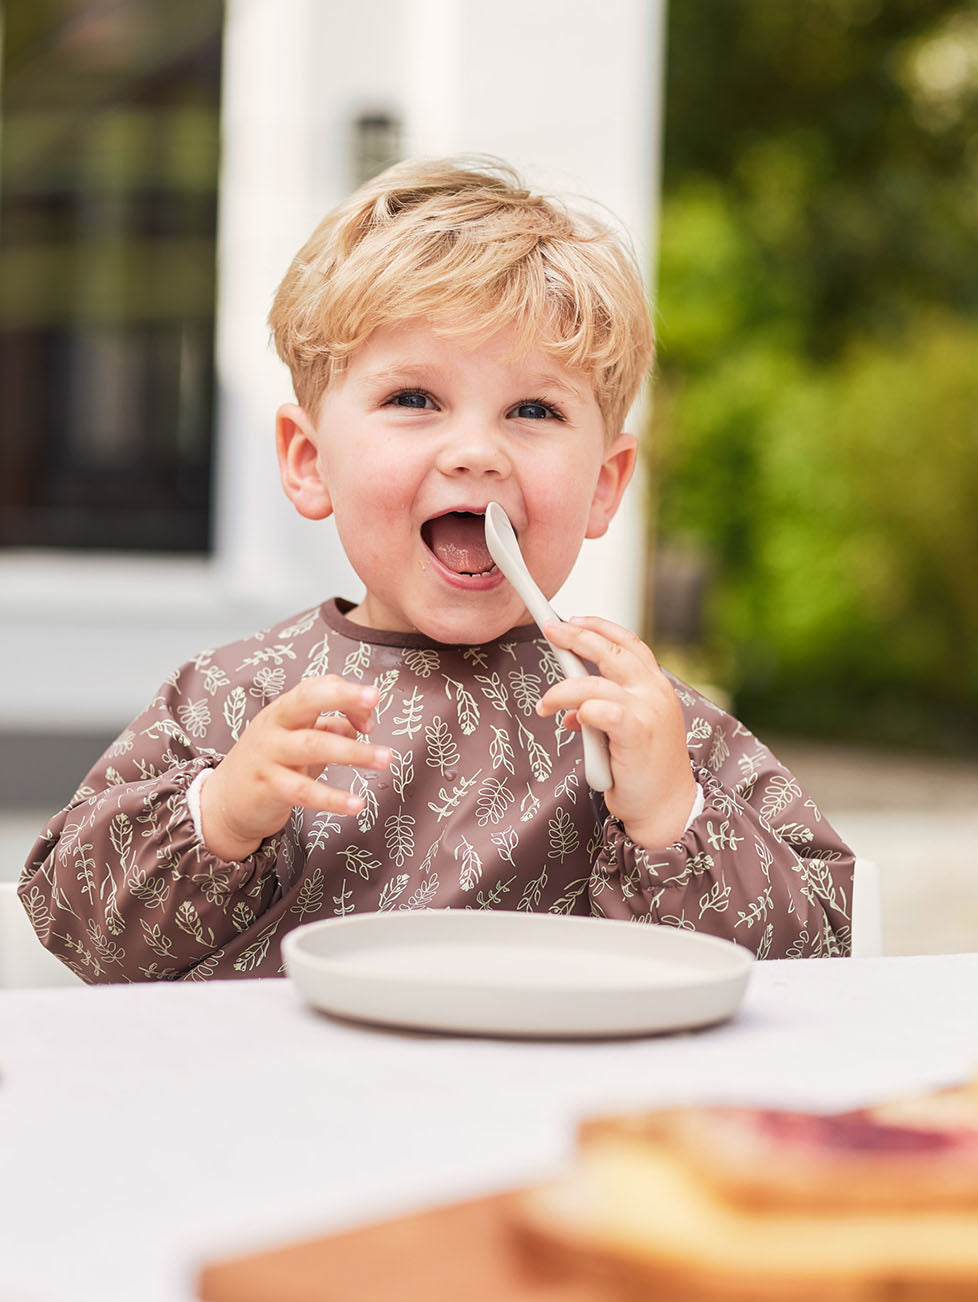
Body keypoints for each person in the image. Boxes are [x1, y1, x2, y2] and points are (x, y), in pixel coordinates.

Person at [18, 157, 854, 983]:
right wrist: (222, 813)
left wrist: (674, 814)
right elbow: (72, 921)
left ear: (605, 486)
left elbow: (822, 954)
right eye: (414, 399)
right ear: (309, 460)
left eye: (534, 410)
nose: (477, 452)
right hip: (287, 1108)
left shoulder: (645, 721)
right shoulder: (230, 699)